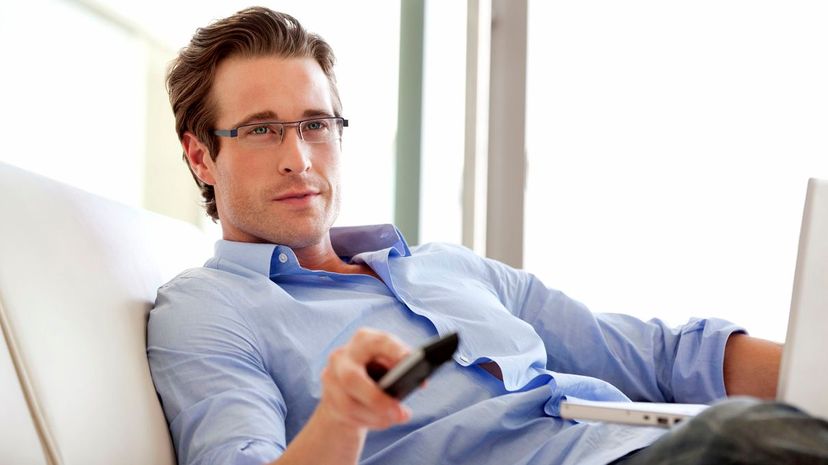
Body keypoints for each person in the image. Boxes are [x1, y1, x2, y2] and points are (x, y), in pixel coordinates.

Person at [147, 7, 828, 465]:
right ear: (201, 155)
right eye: (263, 129)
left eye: (316, 124)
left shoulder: (447, 268)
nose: (299, 156)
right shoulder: (210, 309)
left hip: (639, 444)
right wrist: (341, 417)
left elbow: (660, 356)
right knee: (739, 438)